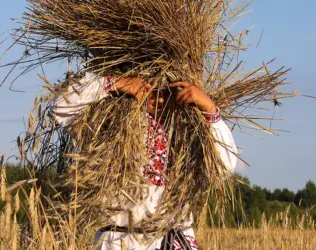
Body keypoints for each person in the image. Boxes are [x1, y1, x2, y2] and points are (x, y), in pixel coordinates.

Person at [50, 72, 237, 249]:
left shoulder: (189, 128)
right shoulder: (109, 124)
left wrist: (210, 109)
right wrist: (117, 83)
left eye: (168, 90)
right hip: (119, 241)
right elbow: (61, 106)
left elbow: (222, 168)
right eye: (150, 88)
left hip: (174, 239)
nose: (160, 98)